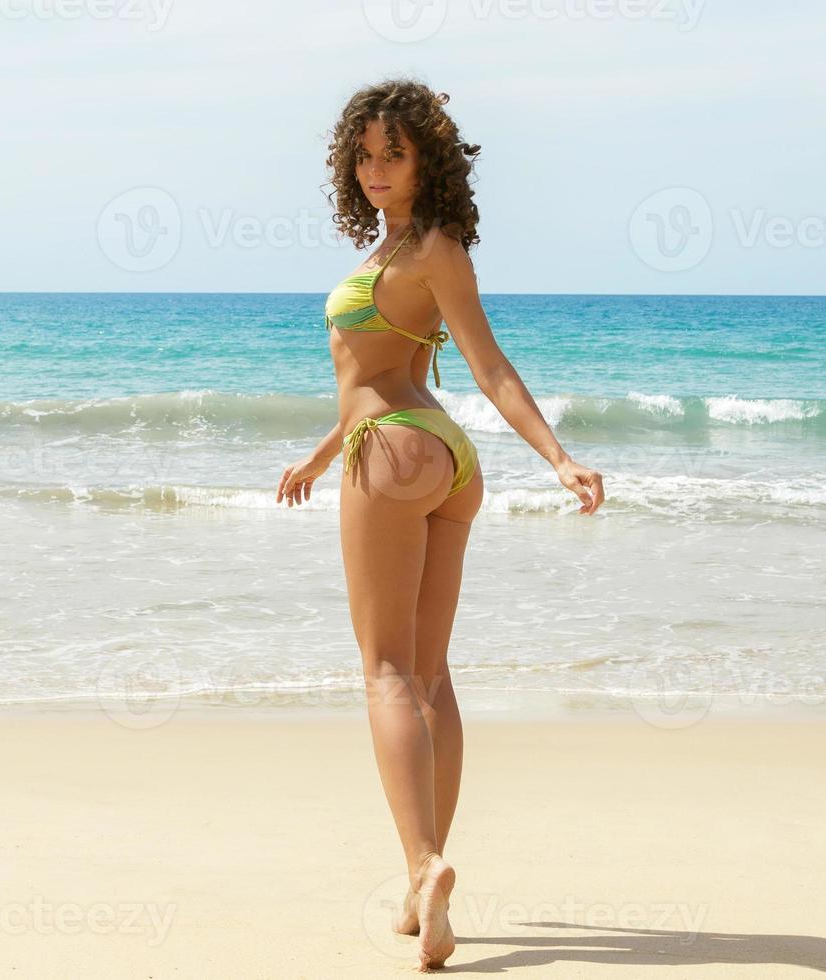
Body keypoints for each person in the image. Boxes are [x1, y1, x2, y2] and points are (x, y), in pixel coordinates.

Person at [275, 77, 605, 972]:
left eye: (395, 153)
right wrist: (317, 454)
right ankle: (423, 883)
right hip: (440, 459)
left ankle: (423, 865)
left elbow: (489, 366)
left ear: (428, 161)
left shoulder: (433, 250)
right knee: (427, 673)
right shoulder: (400, 250)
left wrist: (557, 455)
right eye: (366, 154)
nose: (377, 168)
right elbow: (379, 373)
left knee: (385, 672)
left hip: (395, 451)